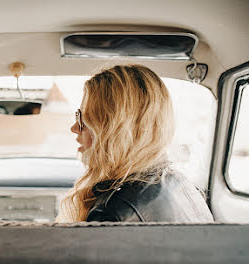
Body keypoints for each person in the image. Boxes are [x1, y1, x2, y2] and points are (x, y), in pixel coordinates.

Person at [57, 64, 213, 223]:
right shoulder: (181, 184)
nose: (74, 128)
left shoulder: (113, 213)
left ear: (113, 129)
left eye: (83, 119)